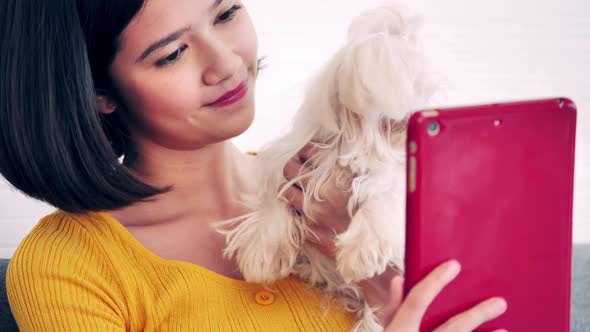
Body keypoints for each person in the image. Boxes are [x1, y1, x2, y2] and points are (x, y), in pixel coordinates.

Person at [0, 0, 507, 331]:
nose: (226, 62)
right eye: (173, 53)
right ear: (99, 93)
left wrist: (380, 283)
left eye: (225, 14)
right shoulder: (69, 267)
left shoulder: (343, 198)